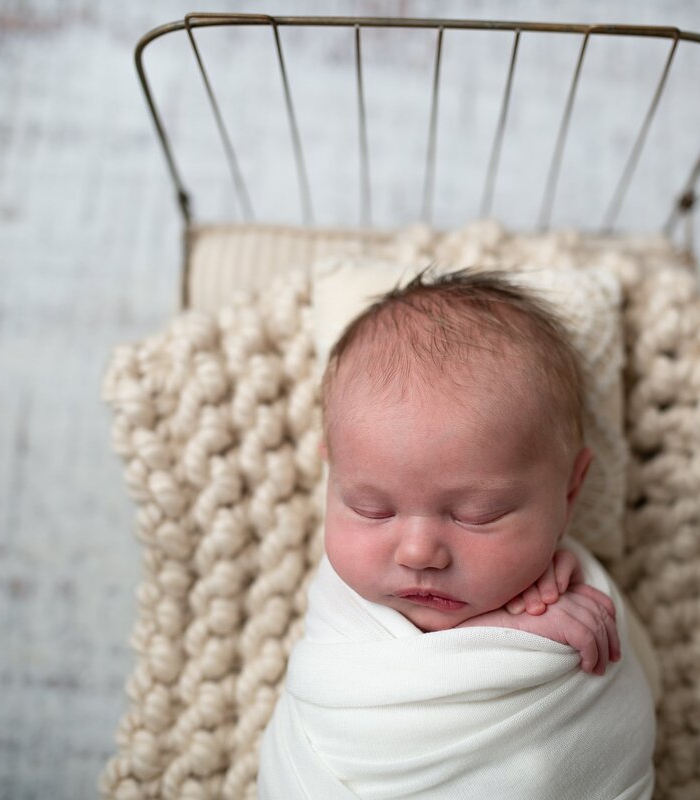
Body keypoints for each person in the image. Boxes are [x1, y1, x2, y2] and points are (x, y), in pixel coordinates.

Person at [258, 269, 655, 799]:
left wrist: (538, 646)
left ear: (570, 491)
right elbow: (351, 711)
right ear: (331, 477)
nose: (418, 551)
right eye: (370, 508)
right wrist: (507, 632)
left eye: (478, 514)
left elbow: (613, 719)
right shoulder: (342, 609)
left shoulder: (579, 594)